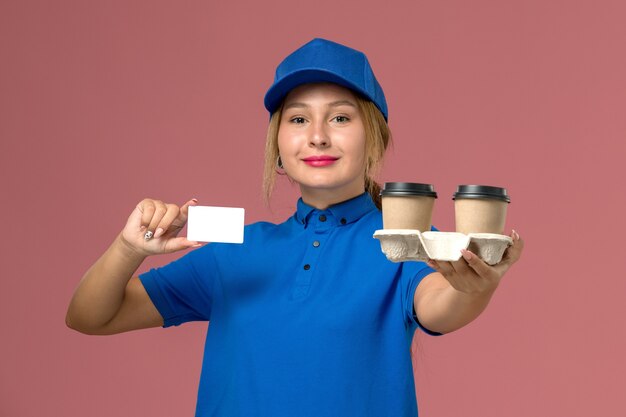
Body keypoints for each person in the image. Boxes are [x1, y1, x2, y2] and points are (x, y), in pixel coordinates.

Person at [66, 38, 524, 417]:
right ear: (278, 145)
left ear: (375, 138)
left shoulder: (402, 244)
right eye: (299, 119)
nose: (318, 135)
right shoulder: (235, 250)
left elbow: (441, 306)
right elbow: (90, 316)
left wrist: (475, 286)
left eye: (341, 118)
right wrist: (130, 248)